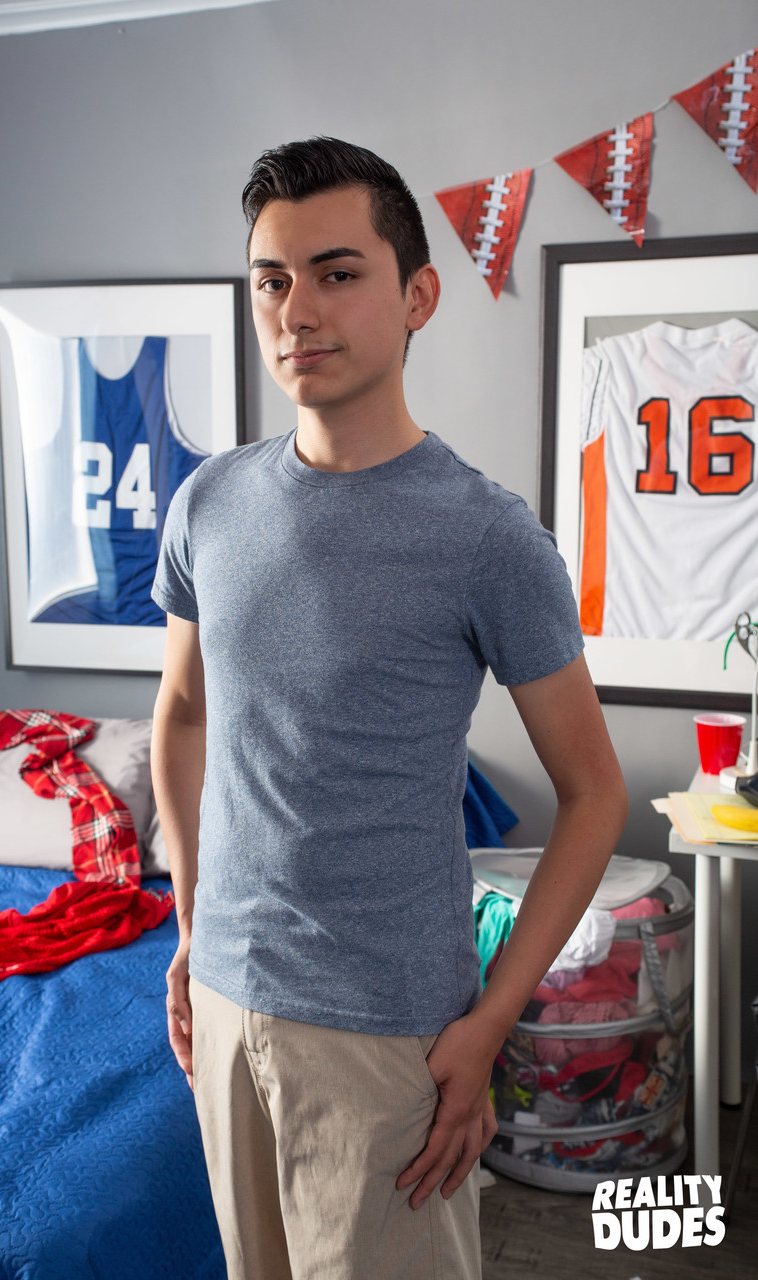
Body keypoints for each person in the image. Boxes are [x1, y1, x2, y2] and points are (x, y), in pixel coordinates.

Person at [150, 136, 628, 1280]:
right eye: (272, 279)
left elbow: (593, 793)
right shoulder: (208, 500)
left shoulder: (486, 535)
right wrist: (189, 914)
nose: (297, 311)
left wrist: (490, 1019)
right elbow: (182, 713)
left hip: (383, 1025)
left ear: (417, 295)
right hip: (221, 994)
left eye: (336, 272)